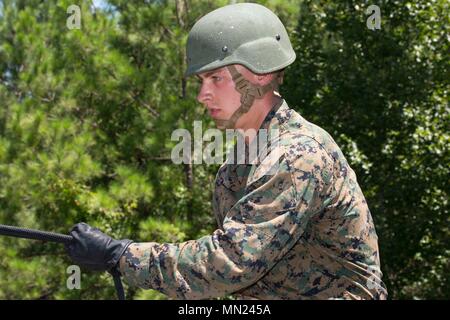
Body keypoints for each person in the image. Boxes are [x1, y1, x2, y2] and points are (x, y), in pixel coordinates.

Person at [66, 3, 387, 300]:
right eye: (201, 81)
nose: (203, 95)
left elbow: (228, 263)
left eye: (216, 78)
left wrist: (121, 255)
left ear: (260, 73)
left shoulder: (296, 154)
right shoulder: (235, 169)